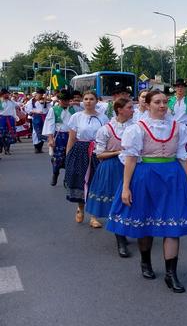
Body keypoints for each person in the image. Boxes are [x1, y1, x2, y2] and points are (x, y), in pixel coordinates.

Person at [106, 90, 187, 293]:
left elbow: (182, 156)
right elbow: (130, 158)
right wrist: (126, 187)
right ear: (147, 105)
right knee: (146, 223)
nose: (163, 105)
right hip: (145, 176)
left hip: (172, 177)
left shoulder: (179, 127)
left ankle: (171, 274)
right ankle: (145, 261)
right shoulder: (137, 129)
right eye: (157, 102)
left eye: (165, 101)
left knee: (172, 225)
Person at [86, 98, 134, 258]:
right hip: (112, 167)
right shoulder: (106, 129)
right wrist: (117, 152)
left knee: (131, 200)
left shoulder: (135, 127)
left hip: (132, 165)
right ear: (120, 110)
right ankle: (120, 240)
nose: (133, 110)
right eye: (129, 107)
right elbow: (99, 154)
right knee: (117, 201)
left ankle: (124, 232)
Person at [64, 91, 109, 227]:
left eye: (91, 99)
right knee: (80, 180)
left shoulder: (104, 118)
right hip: (80, 150)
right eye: (86, 99)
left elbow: (107, 137)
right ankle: (81, 207)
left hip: (97, 151)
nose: (88, 101)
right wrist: (68, 156)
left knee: (95, 182)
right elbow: (71, 138)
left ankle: (94, 216)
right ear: (83, 101)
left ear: (96, 101)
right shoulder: (76, 117)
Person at [43, 91, 76, 185]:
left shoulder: (74, 109)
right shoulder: (53, 109)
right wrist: (50, 139)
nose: (65, 102)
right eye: (63, 100)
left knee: (71, 158)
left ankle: (67, 178)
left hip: (72, 136)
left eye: (67, 100)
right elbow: (49, 124)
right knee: (58, 158)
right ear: (59, 100)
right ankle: (55, 173)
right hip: (59, 136)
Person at [168, 79, 187, 151]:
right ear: (175, 88)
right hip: (172, 129)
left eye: (182, 87)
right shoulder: (169, 101)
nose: (180, 89)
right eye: (178, 87)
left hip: (186, 129)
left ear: (185, 88)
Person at [24, 88, 50, 153]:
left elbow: (50, 108)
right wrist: (35, 112)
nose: (41, 96)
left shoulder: (46, 101)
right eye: (40, 94)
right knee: (36, 132)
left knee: (44, 132)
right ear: (37, 94)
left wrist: (47, 101)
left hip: (45, 118)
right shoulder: (31, 101)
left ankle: (40, 147)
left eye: (42, 94)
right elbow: (27, 109)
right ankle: (36, 147)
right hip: (36, 117)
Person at [0, 89, 18, 155]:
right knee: (1, 135)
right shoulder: (0, 101)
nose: (7, 95)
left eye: (8, 93)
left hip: (10, 119)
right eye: (6, 94)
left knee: (10, 135)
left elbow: (17, 106)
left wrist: (15, 118)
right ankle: (2, 147)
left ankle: (7, 149)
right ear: (2, 94)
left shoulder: (11, 101)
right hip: (1, 119)